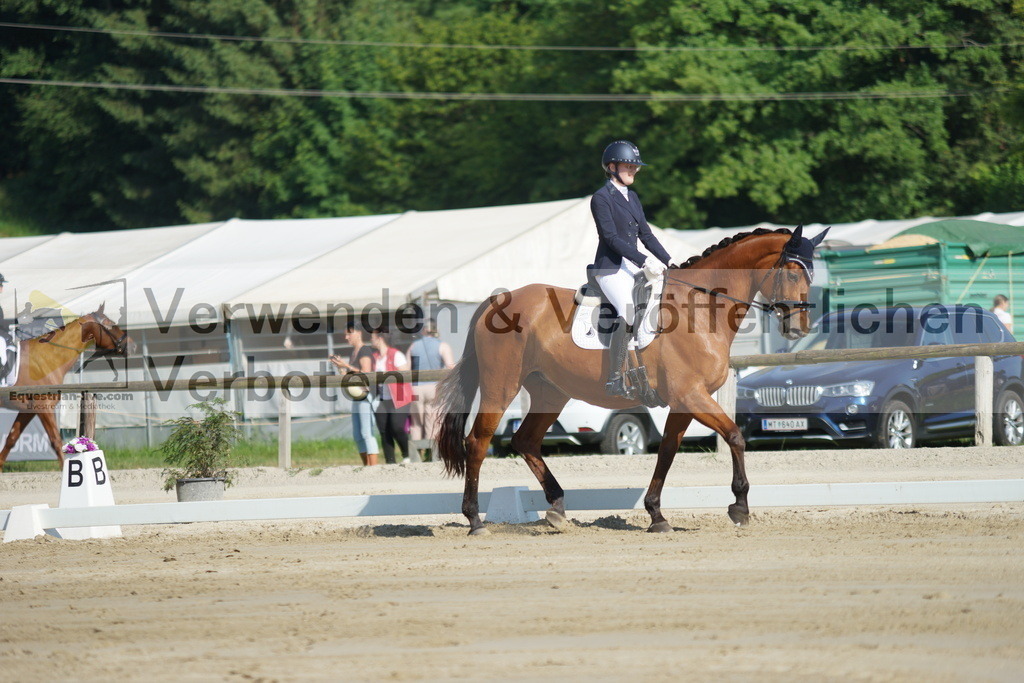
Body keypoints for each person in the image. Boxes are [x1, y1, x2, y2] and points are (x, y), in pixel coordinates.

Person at [589, 141, 672, 399]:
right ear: (611, 167)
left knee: (654, 310)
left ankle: (646, 374)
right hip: (611, 268)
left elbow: (646, 234)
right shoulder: (601, 198)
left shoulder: (632, 197)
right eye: (628, 166)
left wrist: (670, 262)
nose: (634, 170)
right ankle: (614, 379)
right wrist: (644, 260)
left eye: (635, 167)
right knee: (628, 313)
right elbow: (611, 238)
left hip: (631, 265)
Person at [329, 324, 380, 466]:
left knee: (366, 433)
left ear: (358, 333)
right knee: (358, 435)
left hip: (366, 396)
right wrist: (340, 367)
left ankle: (373, 468)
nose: (346, 337)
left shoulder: (364, 350)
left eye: (348, 334)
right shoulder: (355, 352)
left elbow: (366, 372)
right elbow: (351, 373)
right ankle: (366, 467)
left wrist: (346, 366)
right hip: (357, 397)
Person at [407, 319, 456, 461]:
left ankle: (416, 455)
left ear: (423, 331)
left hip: (416, 388)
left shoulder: (413, 346)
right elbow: (450, 366)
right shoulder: (442, 345)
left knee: (416, 423)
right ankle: (432, 454)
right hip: (434, 387)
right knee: (433, 420)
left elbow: (406, 367)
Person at [370, 330, 413, 464]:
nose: (371, 340)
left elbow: (405, 373)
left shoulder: (396, 354)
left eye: (372, 338)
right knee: (383, 429)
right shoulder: (375, 357)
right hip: (383, 398)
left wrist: (387, 374)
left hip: (399, 397)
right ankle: (390, 461)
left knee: (397, 427)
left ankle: (407, 455)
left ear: (380, 339)